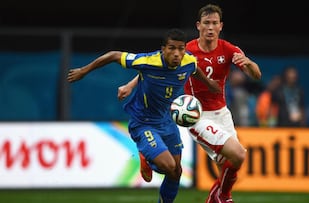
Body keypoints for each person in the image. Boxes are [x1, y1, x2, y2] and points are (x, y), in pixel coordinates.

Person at [118, 4, 261, 203]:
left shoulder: (228, 50)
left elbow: (256, 75)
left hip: (222, 112)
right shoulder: (187, 49)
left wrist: (248, 63)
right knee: (237, 154)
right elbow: (153, 67)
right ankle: (223, 197)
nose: (210, 28)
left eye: (214, 23)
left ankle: (216, 197)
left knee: (231, 164)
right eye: (206, 23)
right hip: (194, 114)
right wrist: (131, 84)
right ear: (198, 26)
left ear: (221, 26)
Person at [67, 28, 220, 203]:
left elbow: (195, 70)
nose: (177, 54)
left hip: (167, 121)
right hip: (144, 123)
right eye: (172, 48)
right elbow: (114, 55)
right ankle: (147, 157)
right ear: (163, 49)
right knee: (168, 166)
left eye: (181, 48)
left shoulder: (189, 61)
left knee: (176, 172)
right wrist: (84, 71)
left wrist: (209, 83)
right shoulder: (148, 61)